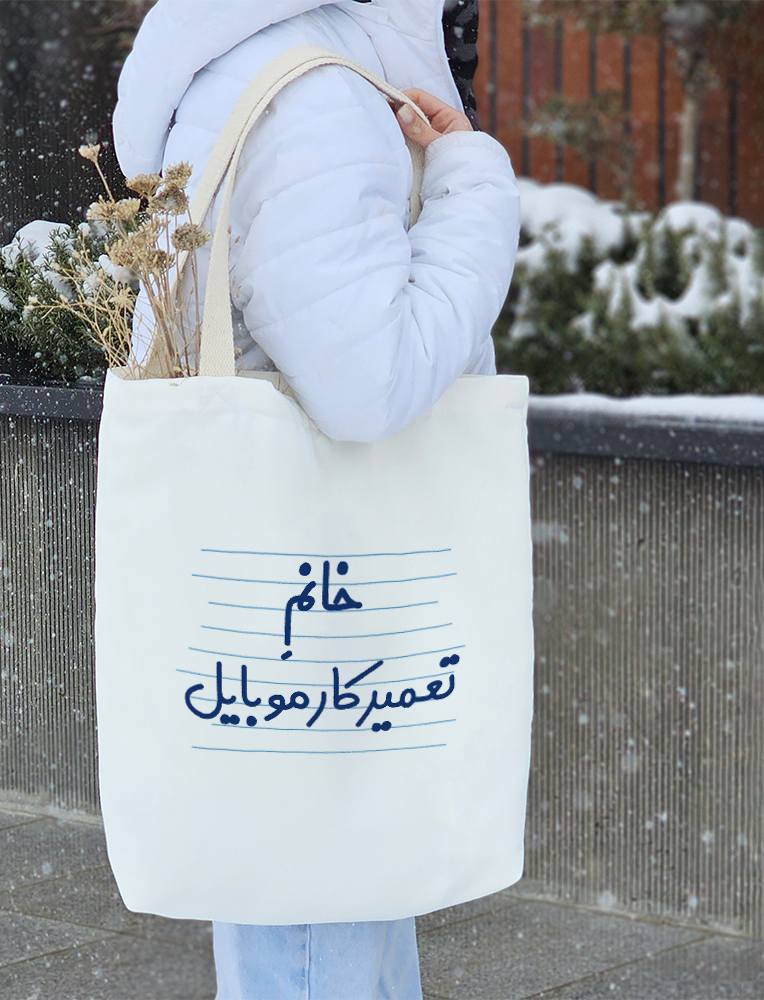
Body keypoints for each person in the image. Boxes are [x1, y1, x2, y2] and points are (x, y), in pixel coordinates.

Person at [113, 1, 520, 996]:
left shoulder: (267, 60)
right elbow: (367, 384)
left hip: (300, 611)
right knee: (317, 916)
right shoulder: (314, 95)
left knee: (324, 894)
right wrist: (472, 185)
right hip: (329, 621)